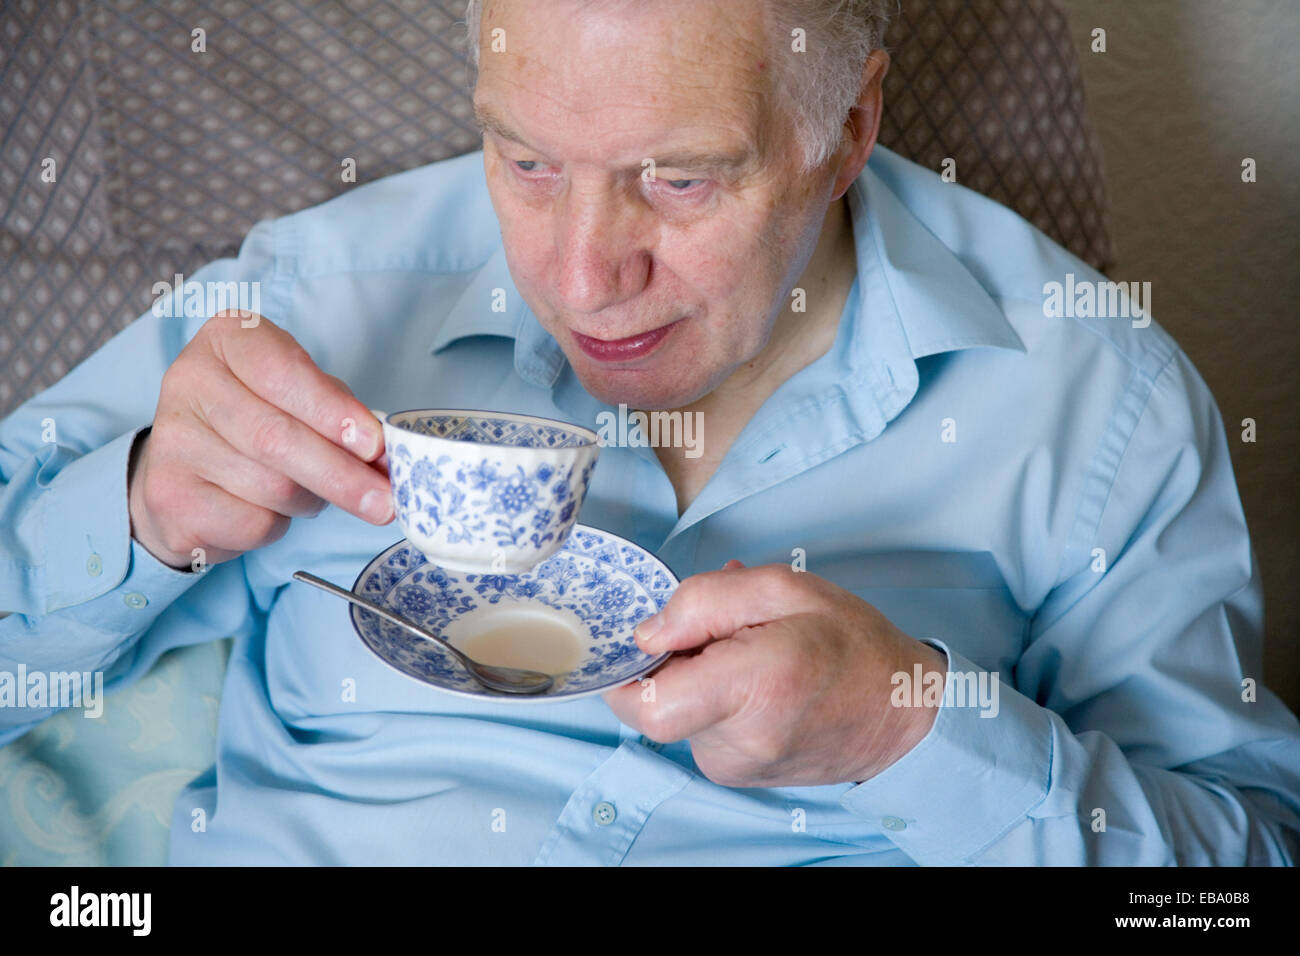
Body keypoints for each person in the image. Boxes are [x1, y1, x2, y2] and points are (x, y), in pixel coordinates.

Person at [2, 0, 1297, 865]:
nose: (576, 276)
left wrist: (914, 732)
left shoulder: (1094, 398)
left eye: (679, 180)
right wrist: (136, 510)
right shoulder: (317, 296)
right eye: (524, 161)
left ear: (848, 128)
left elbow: (1234, 871)